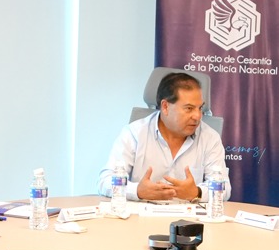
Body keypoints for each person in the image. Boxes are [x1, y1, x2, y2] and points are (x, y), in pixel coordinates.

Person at [98, 72, 229, 202]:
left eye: (200, 108)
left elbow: (224, 189)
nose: (197, 116)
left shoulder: (210, 138)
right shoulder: (134, 133)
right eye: (189, 108)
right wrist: (137, 191)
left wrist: (197, 192)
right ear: (165, 107)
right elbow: (105, 181)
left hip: (189, 214)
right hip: (142, 214)